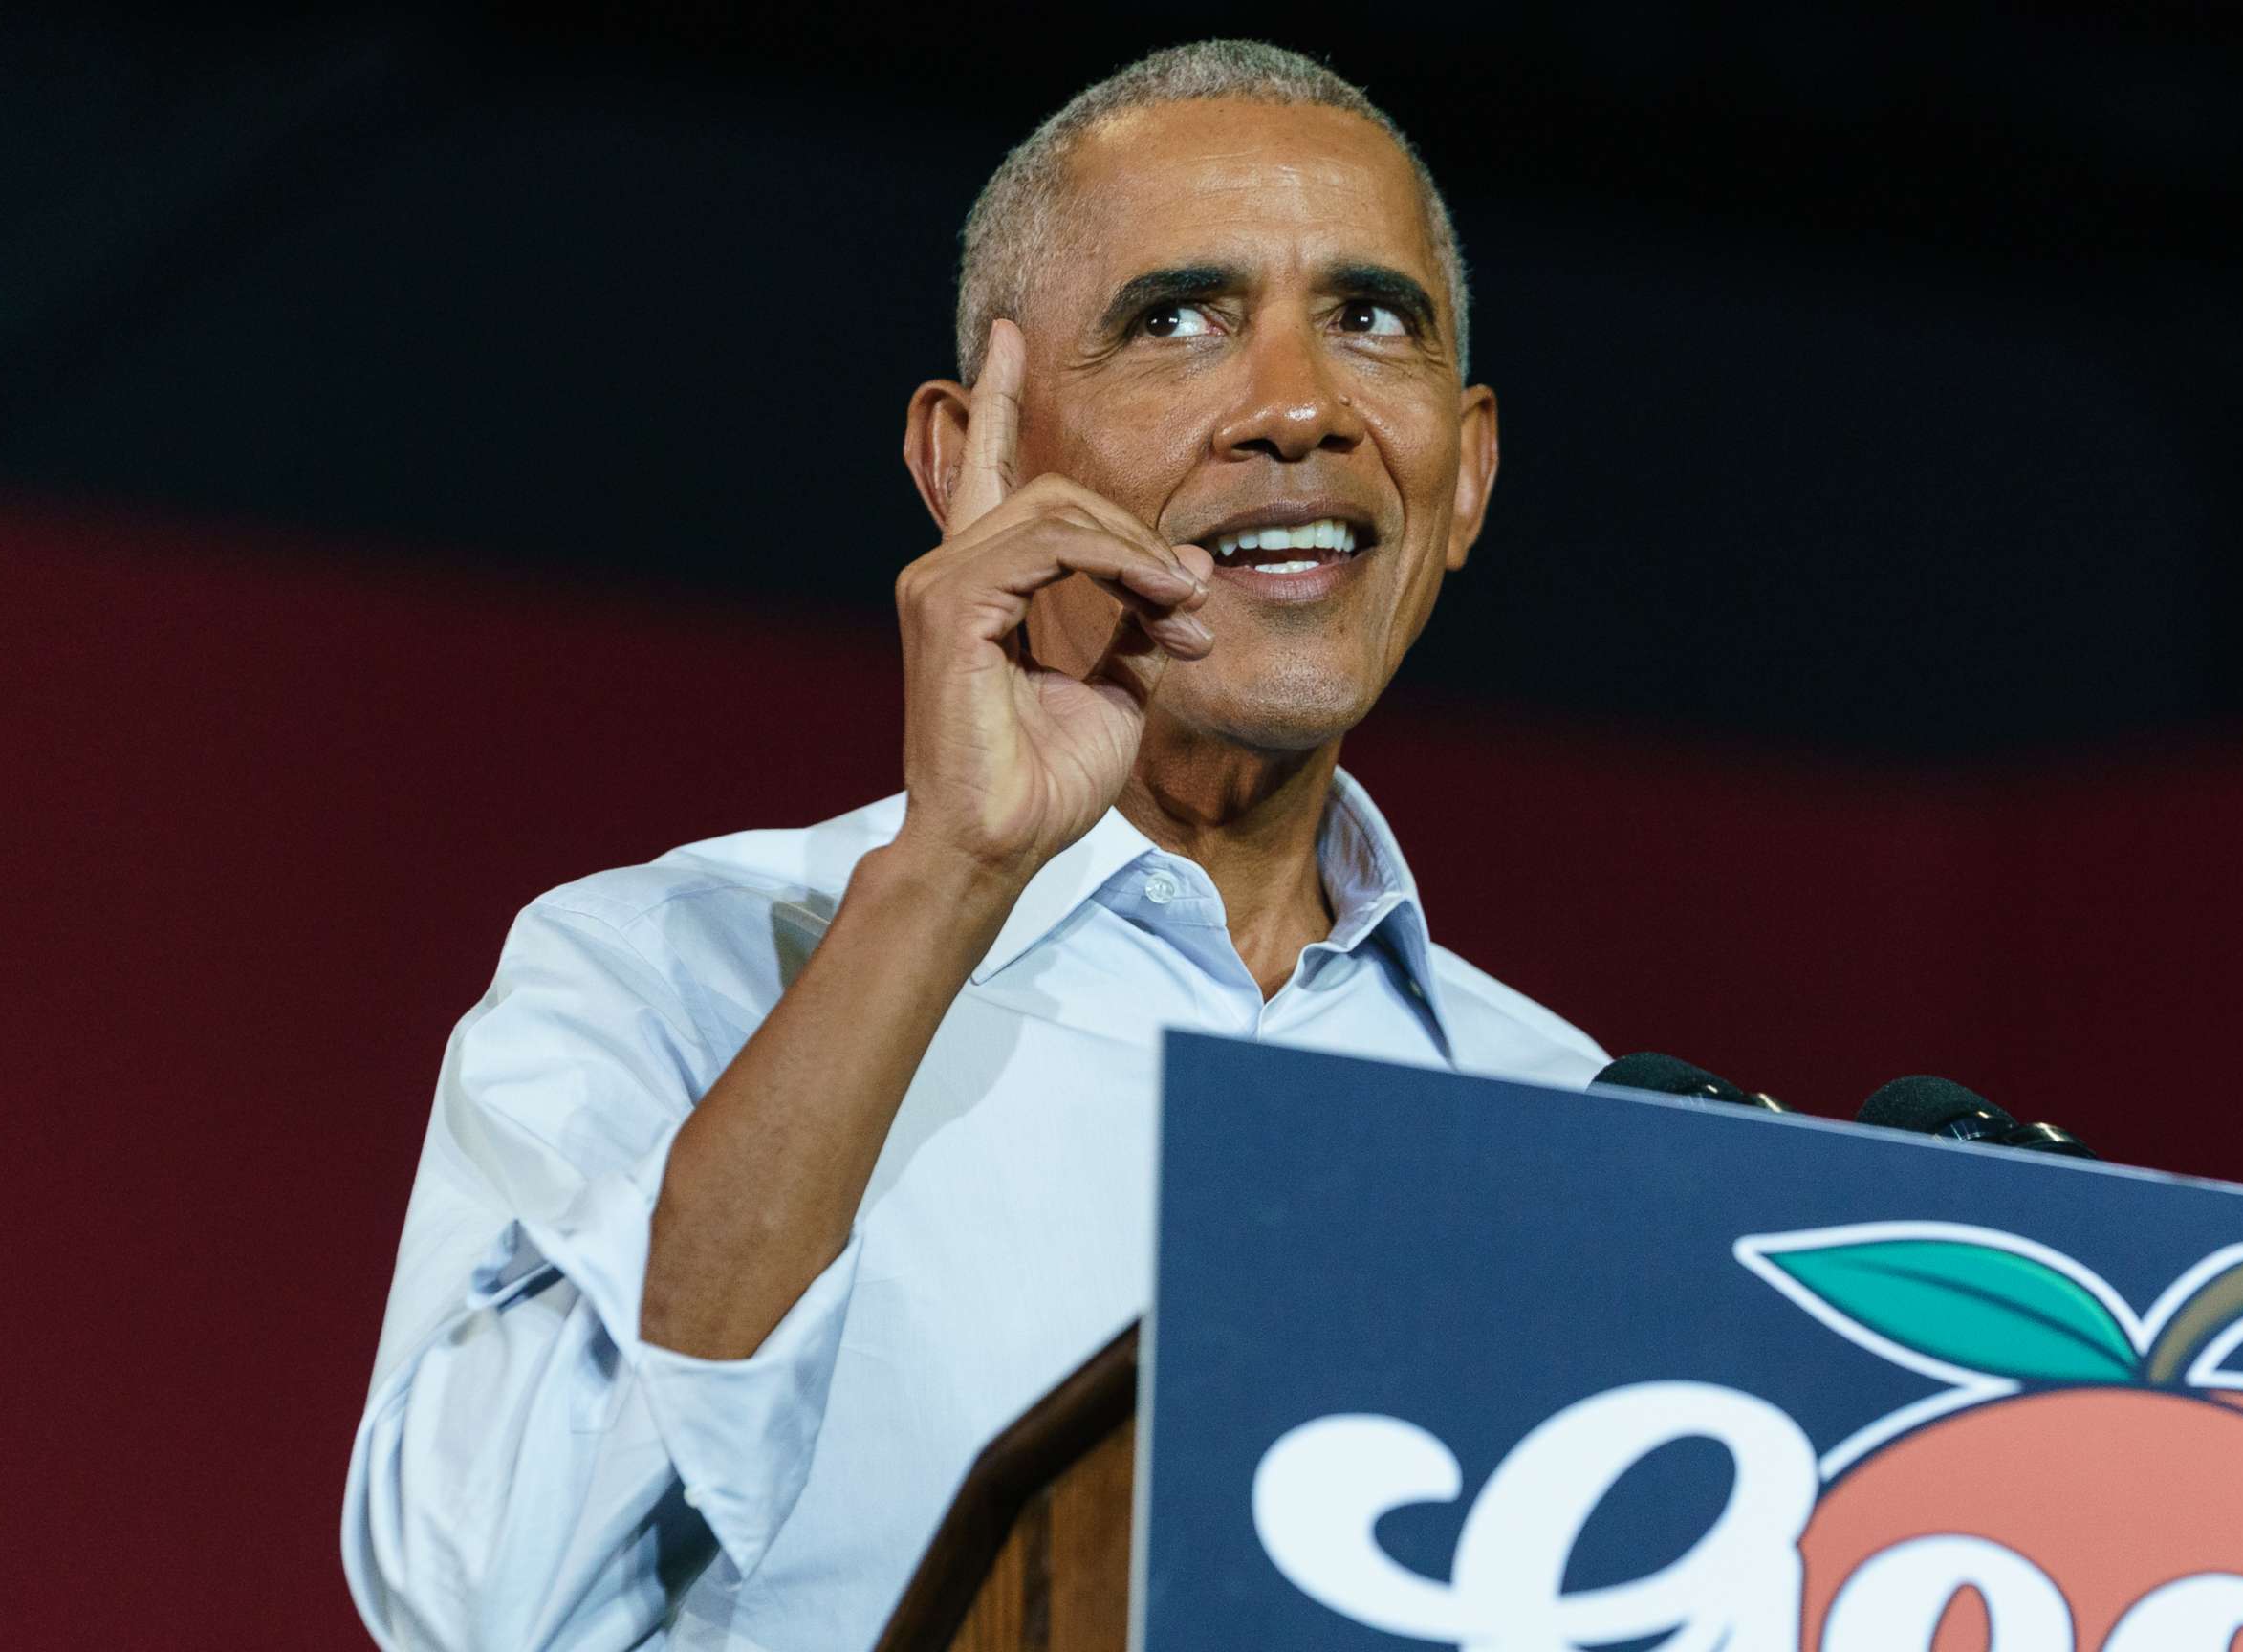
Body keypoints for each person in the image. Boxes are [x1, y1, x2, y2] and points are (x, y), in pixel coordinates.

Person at [341, 39, 1607, 1651]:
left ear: (1471, 468)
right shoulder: (677, 970)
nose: (1300, 405)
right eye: (1179, 318)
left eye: (1371, 318)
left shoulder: (1582, 1125)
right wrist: (948, 879)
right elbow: (476, 1602)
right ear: (967, 463)